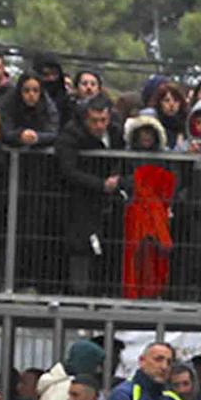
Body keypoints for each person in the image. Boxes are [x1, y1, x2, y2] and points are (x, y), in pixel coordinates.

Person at [55, 97, 120, 297]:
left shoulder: (116, 134)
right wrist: (101, 184)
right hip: (79, 200)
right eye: (94, 121)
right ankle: (79, 293)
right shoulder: (70, 134)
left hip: (108, 201)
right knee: (80, 248)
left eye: (103, 120)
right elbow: (67, 170)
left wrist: (117, 179)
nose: (99, 125)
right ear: (85, 119)